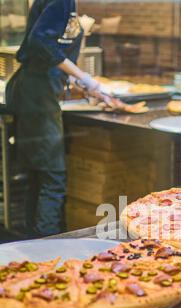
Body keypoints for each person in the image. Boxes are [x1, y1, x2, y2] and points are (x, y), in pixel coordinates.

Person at [5, 0, 108, 237]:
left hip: (38, 90)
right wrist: (85, 77)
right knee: (53, 176)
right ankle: (47, 248)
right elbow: (40, 42)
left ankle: (33, 243)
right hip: (37, 92)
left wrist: (81, 83)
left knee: (38, 173)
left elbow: (52, 51)